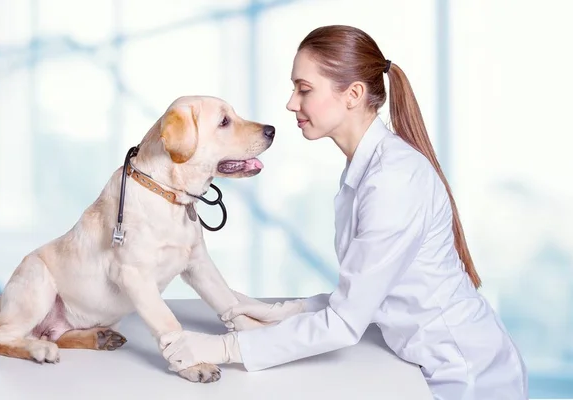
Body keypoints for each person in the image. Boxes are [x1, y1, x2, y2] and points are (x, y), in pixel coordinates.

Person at [160, 25, 528, 399]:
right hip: (425, 362)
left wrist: (222, 349)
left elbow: (344, 323)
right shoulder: (368, 168)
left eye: (304, 89)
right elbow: (367, 293)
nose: (291, 103)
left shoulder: (394, 179)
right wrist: (285, 311)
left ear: (353, 94)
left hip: (467, 375)